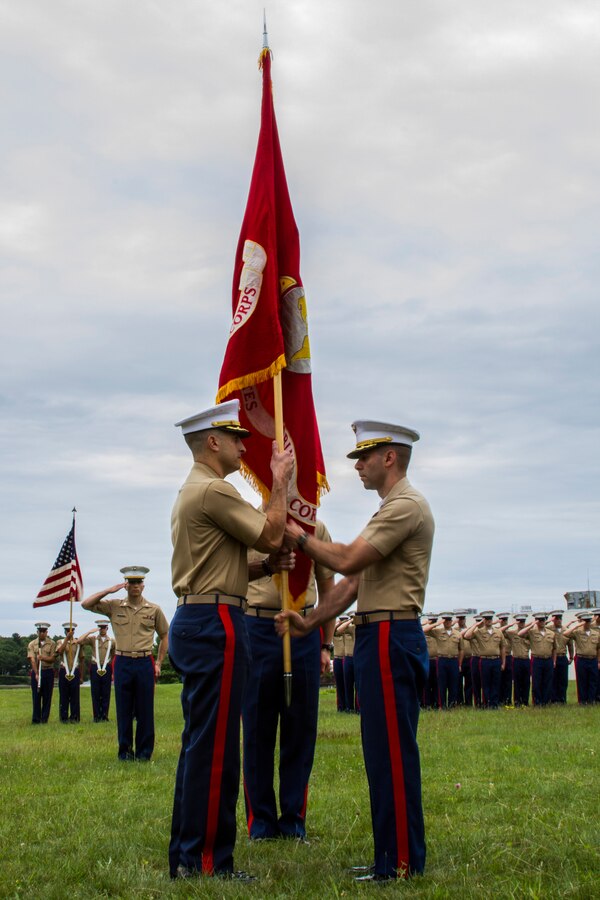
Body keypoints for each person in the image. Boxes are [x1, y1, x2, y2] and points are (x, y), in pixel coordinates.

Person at [276, 418, 435, 881]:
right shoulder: (390, 508)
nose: (358, 466)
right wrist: (310, 622)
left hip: (390, 635)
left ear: (390, 457)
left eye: (363, 457)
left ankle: (402, 861)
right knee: (380, 752)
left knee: (391, 753)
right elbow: (351, 584)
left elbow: (345, 560)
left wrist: (299, 537)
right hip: (377, 635)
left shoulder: (405, 506)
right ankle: (391, 855)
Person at [168, 400, 293, 882]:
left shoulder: (196, 490)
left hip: (202, 616)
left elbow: (227, 562)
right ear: (212, 442)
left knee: (202, 743)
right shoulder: (213, 490)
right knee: (216, 747)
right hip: (216, 621)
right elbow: (270, 533)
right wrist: (279, 480)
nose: (246, 446)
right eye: (236, 438)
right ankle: (205, 862)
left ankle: (189, 854)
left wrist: (262, 569)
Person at [242, 519, 335, 841]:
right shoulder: (246, 522)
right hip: (256, 627)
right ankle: (261, 823)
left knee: (300, 727)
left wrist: (325, 643)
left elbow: (328, 588)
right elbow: (231, 573)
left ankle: (293, 820)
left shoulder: (314, 529)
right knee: (256, 729)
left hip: (303, 629)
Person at [81, 566, 169, 760]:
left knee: (145, 709)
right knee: (123, 708)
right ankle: (125, 752)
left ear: (143, 586)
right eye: (131, 582)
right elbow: (85, 604)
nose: (135, 586)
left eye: (138, 582)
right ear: (125, 585)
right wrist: (108, 591)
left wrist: (159, 662)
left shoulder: (154, 609)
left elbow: (164, 635)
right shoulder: (114, 606)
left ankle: (144, 753)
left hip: (145, 660)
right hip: (122, 661)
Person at [462, 612, 505, 709]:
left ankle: (494, 704)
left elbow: (502, 648)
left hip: (496, 660)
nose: (488, 620)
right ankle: (487, 703)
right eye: (486, 619)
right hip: (485, 660)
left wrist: (503, 662)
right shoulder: (479, 632)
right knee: (485, 683)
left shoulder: (498, 632)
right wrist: (476, 625)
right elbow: (467, 636)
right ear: (484, 620)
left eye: (490, 618)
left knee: (496, 682)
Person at [78, 619, 115, 721]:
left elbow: (114, 656)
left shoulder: (112, 641)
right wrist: (90, 632)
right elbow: (79, 641)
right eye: (100, 628)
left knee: (106, 693)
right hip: (95, 667)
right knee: (95, 692)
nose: (102, 629)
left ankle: (104, 716)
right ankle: (96, 716)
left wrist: (113, 671)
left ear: (107, 628)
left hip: (107, 667)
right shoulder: (93, 639)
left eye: (104, 627)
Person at [423, 613, 462, 708]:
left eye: (449, 620)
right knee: (441, 684)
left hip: (453, 660)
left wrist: (459, 664)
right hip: (442, 660)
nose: (447, 622)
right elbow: (424, 630)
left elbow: (461, 649)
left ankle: (452, 705)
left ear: (451, 621)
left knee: (453, 684)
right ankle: (442, 705)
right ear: (443, 621)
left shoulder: (457, 633)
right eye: (445, 620)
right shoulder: (438, 631)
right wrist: (436, 624)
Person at [517, 613, 555, 707]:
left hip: (548, 659)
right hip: (537, 659)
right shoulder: (532, 632)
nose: (542, 622)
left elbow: (554, 648)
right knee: (537, 682)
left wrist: (554, 661)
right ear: (536, 621)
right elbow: (520, 634)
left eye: (543, 620)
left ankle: (546, 702)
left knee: (547, 682)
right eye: (540, 620)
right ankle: (537, 702)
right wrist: (531, 625)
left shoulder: (551, 633)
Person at [563, 613, 600, 704]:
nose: (587, 623)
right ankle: (583, 701)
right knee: (582, 681)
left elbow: (598, 648)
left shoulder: (596, 634)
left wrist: (599, 661)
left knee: (593, 681)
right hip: (582, 659)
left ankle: (591, 700)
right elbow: (565, 633)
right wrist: (578, 625)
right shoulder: (578, 632)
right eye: (585, 621)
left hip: (593, 659)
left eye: (588, 621)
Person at [27, 622, 56, 724]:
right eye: (40, 631)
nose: (42, 633)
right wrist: (36, 673)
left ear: (47, 632)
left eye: (44, 631)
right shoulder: (32, 644)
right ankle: (36, 719)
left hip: (48, 671)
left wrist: (43, 658)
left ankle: (44, 719)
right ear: (37, 632)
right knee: (36, 696)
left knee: (47, 696)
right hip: (37, 672)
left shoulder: (52, 643)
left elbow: (53, 659)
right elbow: (32, 659)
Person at [500, 615, 531, 706]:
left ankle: (525, 701)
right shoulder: (512, 633)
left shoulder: (529, 633)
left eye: (523, 621)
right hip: (517, 659)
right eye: (519, 621)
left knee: (526, 682)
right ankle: (517, 702)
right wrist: (511, 625)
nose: (521, 623)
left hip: (526, 659)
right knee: (517, 682)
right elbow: (500, 631)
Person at [56, 622, 84, 722]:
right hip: (64, 670)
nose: (69, 632)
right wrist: (67, 639)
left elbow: (81, 659)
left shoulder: (78, 643)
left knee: (75, 696)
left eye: (71, 631)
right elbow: (59, 651)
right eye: (67, 630)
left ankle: (75, 717)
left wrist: (81, 676)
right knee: (64, 695)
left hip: (75, 671)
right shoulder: (60, 641)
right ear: (65, 631)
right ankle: (63, 717)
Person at [546, 610, 573, 704]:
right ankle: (553, 699)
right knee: (552, 679)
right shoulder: (548, 628)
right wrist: (549, 620)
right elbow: (539, 626)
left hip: (562, 657)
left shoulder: (566, 630)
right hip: (552, 657)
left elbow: (570, 644)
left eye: (560, 618)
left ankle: (562, 699)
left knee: (563, 680)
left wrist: (571, 657)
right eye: (556, 618)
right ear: (553, 619)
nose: (559, 620)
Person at [454, 612, 472, 705]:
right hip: (459, 659)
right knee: (458, 682)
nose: (461, 621)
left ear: (465, 619)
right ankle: (459, 702)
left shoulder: (470, 630)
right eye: (459, 619)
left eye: (462, 619)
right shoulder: (454, 630)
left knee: (469, 682)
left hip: (469, 659)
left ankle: (468, 702)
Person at [422, 614, 439, 709]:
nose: (433, 622)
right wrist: (427, 623)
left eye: (435, 620)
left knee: (436, 683)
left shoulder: (439, 632)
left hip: (436, 660)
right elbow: (420, 628)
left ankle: (436, 703)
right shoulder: (424, 632)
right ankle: (427, 703)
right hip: (427, 660)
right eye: (431, 620)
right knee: (426, 684)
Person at [495, 614, 513, 705]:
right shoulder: (496, 631)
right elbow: (499, 631)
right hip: (499, 657)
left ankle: (507, 700)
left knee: (508, 680)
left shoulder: (510, 633)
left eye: (505, 620)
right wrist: (506, 626)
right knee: (498, 680)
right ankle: (499, 700)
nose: (504, 621)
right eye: (502, 620)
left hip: (508, 657)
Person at [333, 618, 349, 711]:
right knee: (339, 685)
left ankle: (348, 705)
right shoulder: (336, 631)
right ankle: (340, 706)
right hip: (338, 659)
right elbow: (335, 630)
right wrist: (340, 622)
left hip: (346, 658)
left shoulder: (348, 631)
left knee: (347, 685)